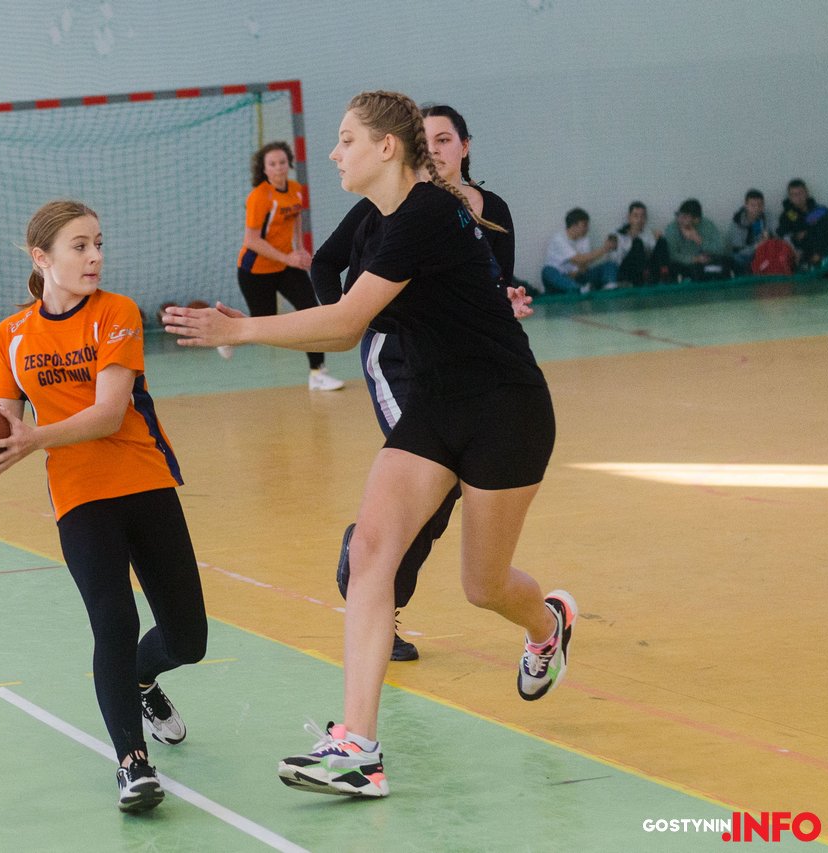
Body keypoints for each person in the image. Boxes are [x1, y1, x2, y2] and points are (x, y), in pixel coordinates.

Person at [164, 91, 576, 799]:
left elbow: (345, 323)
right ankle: (356, 746)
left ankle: (548, 623)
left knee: (483, 586)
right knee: (370, 552)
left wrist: (240, 330)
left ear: (387, 147)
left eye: (346, 139)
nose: (333, 153)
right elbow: (338, 297)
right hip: (435, 407)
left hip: (506, 409)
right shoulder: (381, 217)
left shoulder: (425, 214)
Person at [0, 200, 208, 813]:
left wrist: (34, 438)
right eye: (79, 246)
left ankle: (142, 679)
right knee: (113, 622)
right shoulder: (11, 335)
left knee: (188, 639)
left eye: (98, 243)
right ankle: (132, 763)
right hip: (79, 496)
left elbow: (109, 413)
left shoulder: (117, 313)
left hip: (144, 480)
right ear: (42, 257)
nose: (95, 256)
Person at [311, 103, 532, 664]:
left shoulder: (488, 210)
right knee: (430, 474)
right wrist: (346, 315)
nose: (434, 148)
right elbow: (324, 264)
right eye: (426, 139)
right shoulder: (389, 207)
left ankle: (372, 561)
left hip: (457, 361)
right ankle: (381, 594)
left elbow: (491, 283)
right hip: (395, 354)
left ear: (465, 146)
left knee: (448, 482)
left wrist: (506, 301)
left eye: (444, 139)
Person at [236, 141, 344, 391]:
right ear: (264, 169)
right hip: (256, 271)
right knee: (262, 326)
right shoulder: (259, 197)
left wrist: (299, 249)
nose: (278, 168)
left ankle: (317, 373)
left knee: (310, 311)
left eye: (282, 162)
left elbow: (295, 219)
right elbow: (251, 241)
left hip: (286, 266)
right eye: (272, 164)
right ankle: (230, 333)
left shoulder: (296, 190)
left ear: (289, 164)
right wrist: (288, 258)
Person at [540, 208, 618, 294]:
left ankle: (609, 286)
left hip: (577, 277)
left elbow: (585, 263)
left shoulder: (584, 239)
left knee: (610, 264)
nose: (587, 229)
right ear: (574, 225)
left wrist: (576, 273)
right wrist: (605, 248)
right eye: (585, 225)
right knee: (547, 271)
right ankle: (578, 288)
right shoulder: (559, 239)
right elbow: (579, 259)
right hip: (559, 278)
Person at [663, 198, 730, 281]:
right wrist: (694, 259)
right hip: (686, 264)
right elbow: (672, 255)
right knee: (688, 269)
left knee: (726, 263)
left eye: (685, 217)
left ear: (696, 219)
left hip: (707, 261)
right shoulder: (672, 229)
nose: (680, 219)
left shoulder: (707, 225)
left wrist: (699, 240)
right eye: (679, 215)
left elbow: (721, 249)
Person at [776, 178, 828, 269]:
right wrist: (795, 235)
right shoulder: (786, 216)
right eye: (794, 195)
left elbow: (825, 227)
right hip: (802, 251)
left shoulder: (820, 209)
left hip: (822, 248)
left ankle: (818, 257)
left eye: (800, 193)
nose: (798, 197)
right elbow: (782, 233)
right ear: (790, 197)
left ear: (807, 193)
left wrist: (807, 231)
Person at [611, 201, 666, 285]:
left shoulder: (649, 235)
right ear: (629, 217)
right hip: (626, 271)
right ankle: (643, 279)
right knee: (637, 243)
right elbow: (614, 260)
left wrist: (656, 240)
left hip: (647, 269)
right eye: (636, 216)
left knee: (661, 241)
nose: (639, 220)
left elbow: (654, 257)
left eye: (642, 216)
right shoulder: (617, 235)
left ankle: (664, 277)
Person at [727, 190, 771, 274]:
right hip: (745, 256)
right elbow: (738, 250)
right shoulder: (737, 222)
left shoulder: (767, 216)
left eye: (760, 205)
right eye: (753, 205)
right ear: (746, 205)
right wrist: (756, 246)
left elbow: (778, 234)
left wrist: (769, 238)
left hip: (764, 253)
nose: (757, 208)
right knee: (736, 259)